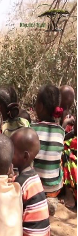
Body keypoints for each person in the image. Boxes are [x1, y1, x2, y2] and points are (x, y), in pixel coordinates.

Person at [11, 128, 50, 236]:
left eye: (12, 151)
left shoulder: (20, 184)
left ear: (25, 156)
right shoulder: (32, 177)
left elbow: (10, 214)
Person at [32, 85, 66, 215]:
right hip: (54, 188)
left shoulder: (32, 128)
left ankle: (35, 199)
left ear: (40, 106)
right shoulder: (61, 131)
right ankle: (51, 199)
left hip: (35, 186)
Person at [62, 118, 77, 209]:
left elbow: (59, 142)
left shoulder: (72, 142)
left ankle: (69, 195)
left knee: (65, 154)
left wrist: (64, 124)